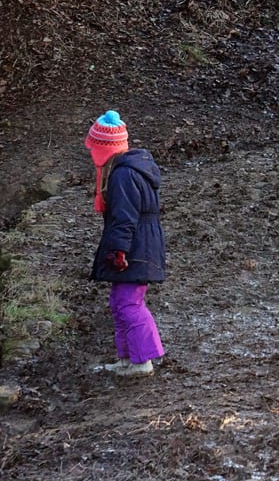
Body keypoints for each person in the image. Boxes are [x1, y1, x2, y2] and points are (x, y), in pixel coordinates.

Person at [85, 110, 166, 377]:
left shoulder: (123, 176)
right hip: (140, 244)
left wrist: (119, 250)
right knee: (119, 301)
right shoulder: (129, 170)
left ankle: (142, 360)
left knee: (129, 303)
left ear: (104, 148)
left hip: (136, 248)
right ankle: (127, 357)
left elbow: (124, 216)